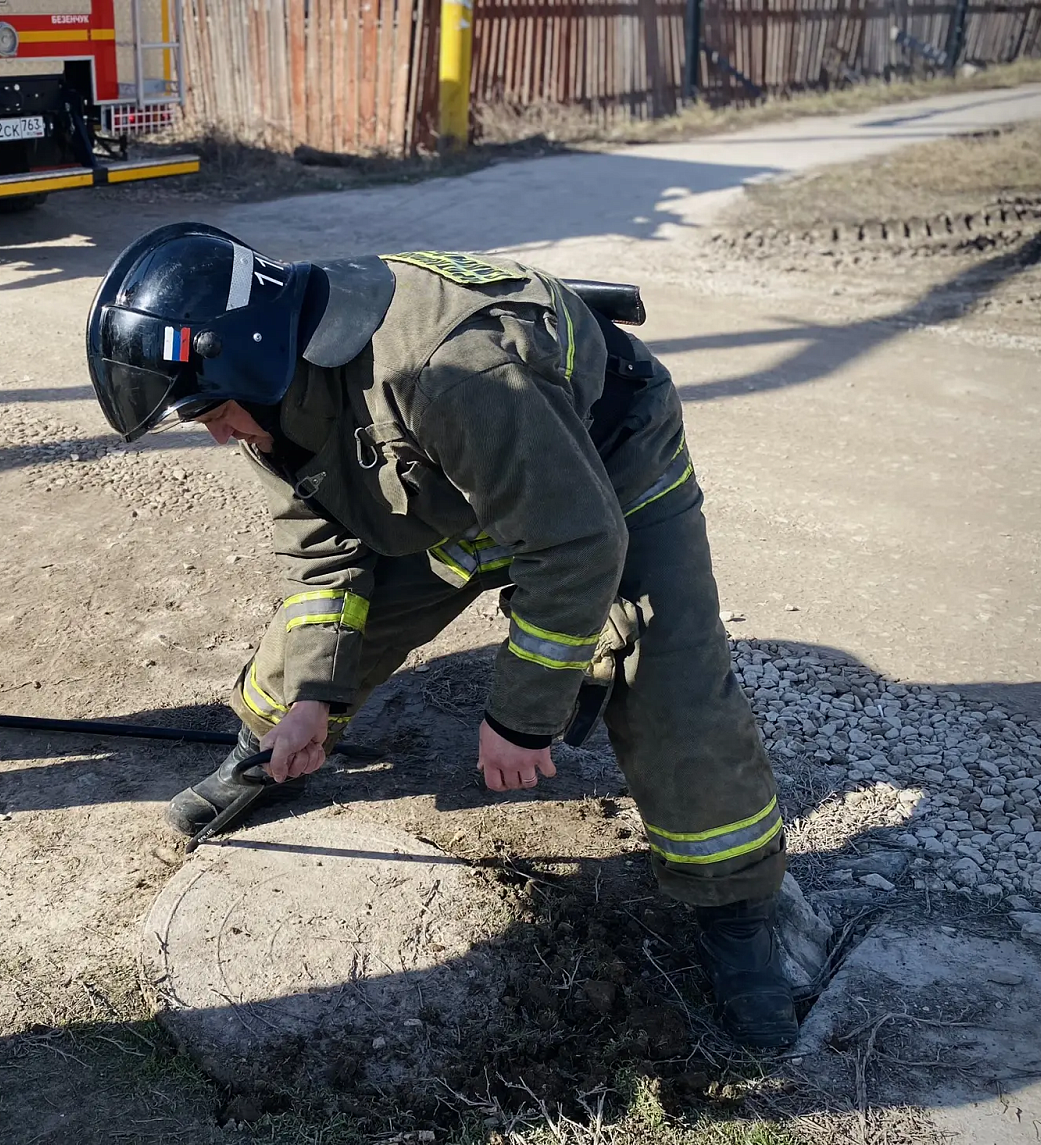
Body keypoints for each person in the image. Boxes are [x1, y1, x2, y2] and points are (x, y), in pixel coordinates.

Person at [85, 223, 798, 1049]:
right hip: (456, 477)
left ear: (243, 359)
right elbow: (320, 551)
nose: (214, 432)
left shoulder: (444, 370)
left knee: (669, 684)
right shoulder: (275, 389)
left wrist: (520, 716)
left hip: (601, 459)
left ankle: (738, 911)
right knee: (299, 659)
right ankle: (265, 754)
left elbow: (574, 542)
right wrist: (314, 698)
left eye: (210, 411)